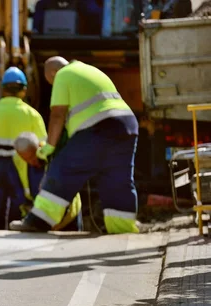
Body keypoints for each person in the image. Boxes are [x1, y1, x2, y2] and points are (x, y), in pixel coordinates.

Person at [10, 56, 139, 234]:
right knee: (117, 180)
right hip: (127, 125)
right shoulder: (91, 70)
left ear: (53, 72)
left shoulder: (63, 74)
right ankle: (122, 229)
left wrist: (49, 148)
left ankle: (38, 220)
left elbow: (57, 114)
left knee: (63, 168)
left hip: (97, 127)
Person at [0, 67, 48, 230]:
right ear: (24, 90)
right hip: (22, 169)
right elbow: (43, 148)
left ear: (3, 89)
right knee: (19, 205)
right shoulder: (32, 115)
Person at [13, 132, 83, 231]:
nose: (32, 161)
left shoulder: (54, 154)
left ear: (38, 147)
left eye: (33, 156)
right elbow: (18, 191)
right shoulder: (17, 161)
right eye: (26, 159)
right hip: (41, 218)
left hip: (68, 216)